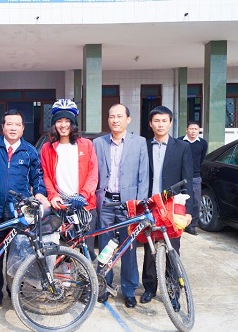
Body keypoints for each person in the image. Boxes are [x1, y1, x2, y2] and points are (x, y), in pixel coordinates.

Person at [0, 109, 49, 315]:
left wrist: (40, 194)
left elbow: (37, 178)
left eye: (17, 124)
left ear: (22, 128)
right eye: (8, 124)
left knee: (17, 255)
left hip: (18, 215)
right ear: (2, 127)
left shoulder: (29, 151)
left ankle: (15, 291)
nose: (12, 128)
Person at [93, 103, 149, 308]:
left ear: (128, 119)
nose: (115, 120)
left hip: (129, 206)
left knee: (129, 248)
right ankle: (104, 285)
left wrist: (139, 205)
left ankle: (128, 289)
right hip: (106, 202)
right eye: (111, 116)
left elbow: (144, 177)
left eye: (119, 116)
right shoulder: (98, 143)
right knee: (106, 248)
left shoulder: (139, 142)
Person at [140, 106, 194, 305]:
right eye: (156, 121)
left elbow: (188, 180)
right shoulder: (144, 146)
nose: (160, 124)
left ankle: (173, 292)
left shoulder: (182, 148)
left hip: (172, 207)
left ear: (170, 123)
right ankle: (149, 288)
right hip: (150, 206)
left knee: (173, 250)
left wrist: (188, 212)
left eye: (164, 120)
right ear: (150, 124)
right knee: (149, 249)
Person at [40, 99, 98, 261]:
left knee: (85, 249)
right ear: (54, 124)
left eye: (67, 121)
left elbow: (93, 173)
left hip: (84, 204)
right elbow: (46, 175)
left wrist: (84, 195)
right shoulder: (47, 148)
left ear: (73, 124)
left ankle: (88, 284)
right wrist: (52, 196)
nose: (63, 125)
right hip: (60, 206)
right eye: (59, 121)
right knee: (63, 251)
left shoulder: (86, 145)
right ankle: (64, 284)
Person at [178, 121, 208, 236]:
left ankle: (191, 226)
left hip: (195, 176)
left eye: (196, 129)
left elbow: (201, 159)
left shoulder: (202, 143)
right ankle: (178, 222)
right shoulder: (180, 141)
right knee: (179, 200)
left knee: (196, 201)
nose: (193, 131)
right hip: (180, 176)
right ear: (186, 130)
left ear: (198, 131)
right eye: (191, 129)